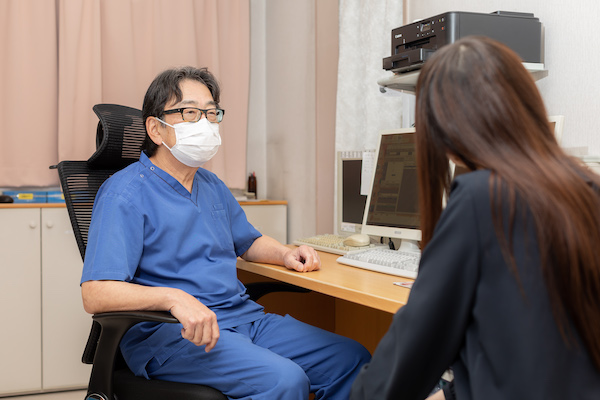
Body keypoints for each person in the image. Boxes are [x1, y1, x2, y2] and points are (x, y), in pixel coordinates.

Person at [81, 66, 370, 400]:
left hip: (241, 319)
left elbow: (248, 242)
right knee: (284, 381)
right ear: (155, 129)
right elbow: (95, 293)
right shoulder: (124, 194)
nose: (204, 123)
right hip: (174, 334)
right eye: (190, 112)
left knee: (350, 360)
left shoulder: (211, 185)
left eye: (210, 113)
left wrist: (285, 253)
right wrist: (173, 297)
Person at [350, 36, 600, 400]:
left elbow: (409, 357)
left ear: (448, 132)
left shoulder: (481, 198)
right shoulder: (587, 188)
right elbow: (532, 356)